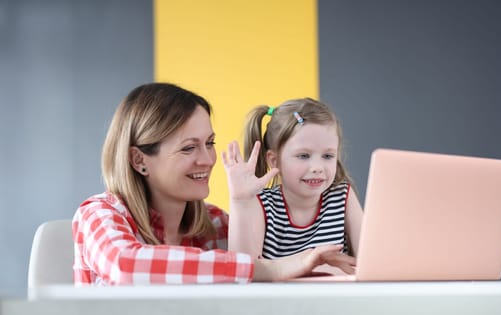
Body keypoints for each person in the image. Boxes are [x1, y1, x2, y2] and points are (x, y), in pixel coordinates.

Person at [72, 83, 355, 285]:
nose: (207, 159)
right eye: (188, 148)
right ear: (139, 159)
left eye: (209, 143)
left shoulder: (216, 224)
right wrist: (267, 269)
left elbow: (277, 269)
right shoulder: (99, 214)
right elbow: (125, 266)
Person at [222, 98, 363, 268]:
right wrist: (240, 201)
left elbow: (371, 257)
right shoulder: (262, 204)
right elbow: (243, 269)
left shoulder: (342, 196)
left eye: (327, 156)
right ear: (274, 161)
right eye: (303, 156)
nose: (317, 167)